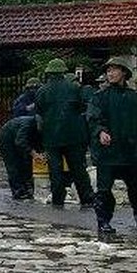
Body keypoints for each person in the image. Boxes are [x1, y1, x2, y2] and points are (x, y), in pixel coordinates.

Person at [87, 58, 137, 235]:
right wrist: (101, 131)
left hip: (130, 152)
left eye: (114, 70)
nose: (110, 73)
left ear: (124, 73)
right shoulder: (100, 97)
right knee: (104, 189)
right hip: (108, 153)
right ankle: (103, 221)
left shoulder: (134, 98)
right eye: (108, 70)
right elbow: (93, 118)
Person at [34, 58, 95, 208]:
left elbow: (39, 114)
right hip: (74, 136)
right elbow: (83, 108)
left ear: (49, 73)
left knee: (55, 170)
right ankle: (87, 199)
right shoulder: (74, 88)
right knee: (78, 169)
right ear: (63, 72)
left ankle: (58, 200)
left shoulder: (42, 91)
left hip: (51, 137)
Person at [0, 115, 41, 201]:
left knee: (27, 164)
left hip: (20, 139)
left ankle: (28, 190)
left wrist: (40, 153)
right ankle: (18, 191)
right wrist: (34, 153)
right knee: (13, 165)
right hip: (7, 139)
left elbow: (39, 143)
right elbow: (20, 141)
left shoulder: (40, 127)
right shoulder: (27, 124)